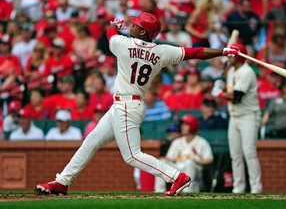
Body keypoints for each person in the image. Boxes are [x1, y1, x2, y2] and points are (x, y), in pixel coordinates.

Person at [35, 12, 239, 197]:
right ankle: (63, 181)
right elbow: (196, 52)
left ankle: (176, 176)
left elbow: (109, 34)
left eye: (135, 25)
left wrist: (114, 24)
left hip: (126, 107)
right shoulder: (161, 51)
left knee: (132, 156)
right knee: (91, 142)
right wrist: (224, 51)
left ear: (142, 31)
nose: (131, 26)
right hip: (125, 105)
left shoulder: (123, 44)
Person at [211, 43, 262, 193]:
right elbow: (230, 89)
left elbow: (236, 96)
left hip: (249, 115)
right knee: (235, 154)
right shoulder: (232, 70)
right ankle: (238, 187)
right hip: (235, 116)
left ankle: (256, 188)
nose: (229, 58)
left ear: (239, 57)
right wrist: (221, 85)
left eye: (231, 56)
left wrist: (219, 93)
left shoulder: (247, 72)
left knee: (249, 153)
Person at [154, 114, 214, 193]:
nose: (182, 126)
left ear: (193, 126)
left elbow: (209, 159)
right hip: (179, 168)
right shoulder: (177, 142)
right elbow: (170, 158)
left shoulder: (201, 142)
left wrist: (195, 161)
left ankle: (187, 191)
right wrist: (165, 160)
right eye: (182, 124)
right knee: (161, 161)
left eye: (186, 124)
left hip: (195, 170)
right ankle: (159, 191)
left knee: (189, 162)